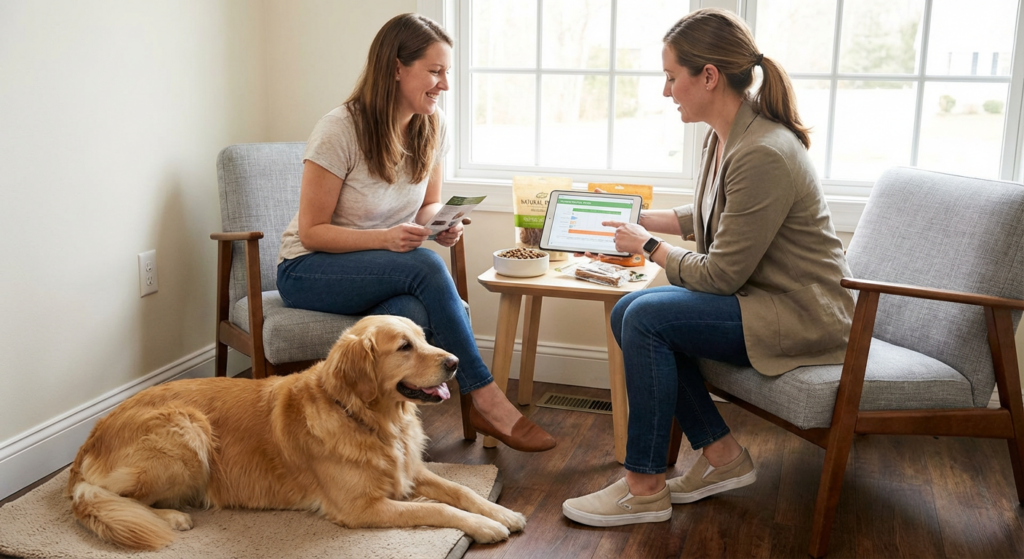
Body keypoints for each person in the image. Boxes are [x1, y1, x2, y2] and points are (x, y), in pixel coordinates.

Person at [562, 8, 855, 526]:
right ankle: (722, 457)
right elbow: (716, 214)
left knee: (645, 318)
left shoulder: (764, 151)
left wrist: (649, 245)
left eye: (672, 77)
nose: (666, 90)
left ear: (709, 76)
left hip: (799, 315)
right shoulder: (725, 136)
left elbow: (721, 276)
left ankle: (645, 486)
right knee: (627, 309)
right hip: (759, 300)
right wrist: (634, 218)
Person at [276, 13, 555, 452]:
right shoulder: (339, 129)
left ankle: (384, 434)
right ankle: (486, 397)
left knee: (412, 310)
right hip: (309, 272)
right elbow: (312, 232)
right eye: (436, 71)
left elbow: (427, 206)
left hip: (379, 274)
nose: (444, 84)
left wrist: (443, 225)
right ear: (395, 67)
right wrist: (386, 239)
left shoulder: (433, 125)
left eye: (447, 73)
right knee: (423, 265)